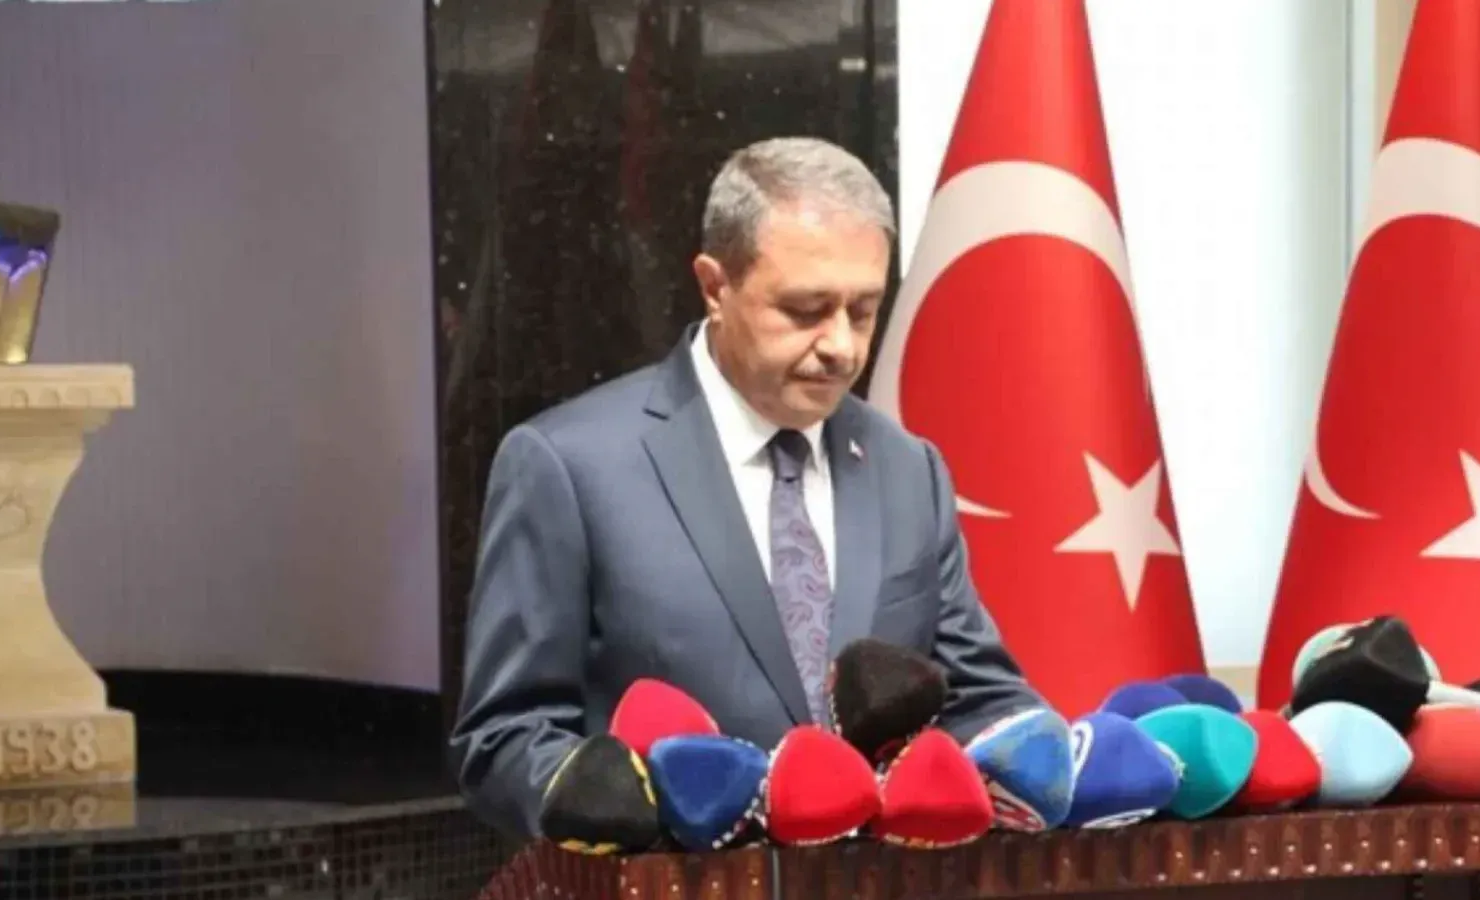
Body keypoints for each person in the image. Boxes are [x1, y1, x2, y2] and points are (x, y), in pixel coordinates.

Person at [450, 136, 1050, 839]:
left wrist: (1047, 762)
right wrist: (637, 814)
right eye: (805, 310)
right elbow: (505, 738)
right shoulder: (569, 467)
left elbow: (979, 700)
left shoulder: (907, 469)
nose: (842, 346)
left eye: (863, 310)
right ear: (715, 286)